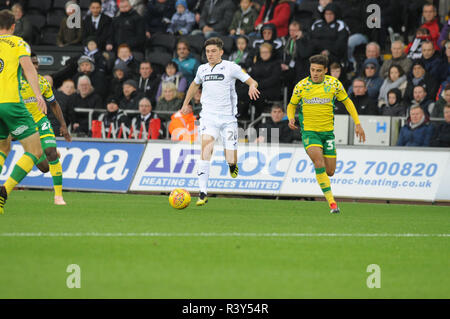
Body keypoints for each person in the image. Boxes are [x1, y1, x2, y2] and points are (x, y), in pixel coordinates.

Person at [180, 37, 260, 206]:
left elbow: (251, 80)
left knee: (230, 157)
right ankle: (202, 193)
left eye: (213, 51)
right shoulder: (202, 69)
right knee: (205, 150)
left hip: (228, 119)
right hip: (209, 117)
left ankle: (232, 165)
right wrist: (185, 104)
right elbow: (194, 86)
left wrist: (252, 86)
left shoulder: (231, 67)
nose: (210, 54)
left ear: (221, 52)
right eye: (208, 51)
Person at [287, 54, 366, 214]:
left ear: (325, 71)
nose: (315, 73)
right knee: (318, 162)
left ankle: (325, 185)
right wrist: (290, 117)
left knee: (330, 171)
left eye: (318, 70)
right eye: (312, 70)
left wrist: (357, 123)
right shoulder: (301, 86)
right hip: (309, 132)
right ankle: (332, 203)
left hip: (327, 134)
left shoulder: (334, 84)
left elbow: (347, 102)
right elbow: (291, 104)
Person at [0, 10, 46, 214]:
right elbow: (28, 68)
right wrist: (38, 94)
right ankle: (4, 191)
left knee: (3, 147)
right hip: (11, 103)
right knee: (35, 151)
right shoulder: (18, 43)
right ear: (13, 26)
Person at [19, 53, 72, 205]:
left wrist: (63, 125)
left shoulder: (42, 82)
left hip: (38, 124)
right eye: (32, 63)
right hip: (17, 123)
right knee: (43, 166)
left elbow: (54, 104)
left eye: (36, 64)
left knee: (47, 160)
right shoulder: (12, 82)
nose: (35, 66)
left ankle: (58, 196)